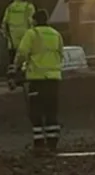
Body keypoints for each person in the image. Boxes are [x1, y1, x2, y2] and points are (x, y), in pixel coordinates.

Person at [14, 9, 64, 152]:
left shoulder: (32, 33)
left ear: (35, 21)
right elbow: (61, 54)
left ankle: (39, 143)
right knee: (51, 111)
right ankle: (53, 143)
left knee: (35, 111)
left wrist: (16, 67)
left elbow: (22, 53)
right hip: (54, 79)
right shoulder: (56, 34)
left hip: (37, 79)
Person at [3, 0, 36, 68]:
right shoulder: (29, 7)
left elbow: (4, 23)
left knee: (13, 66)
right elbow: (32, 23)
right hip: (26, 42)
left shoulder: (10, 7)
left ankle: (12, 78)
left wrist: (7, 37)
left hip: (12, 44)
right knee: (27, 66)